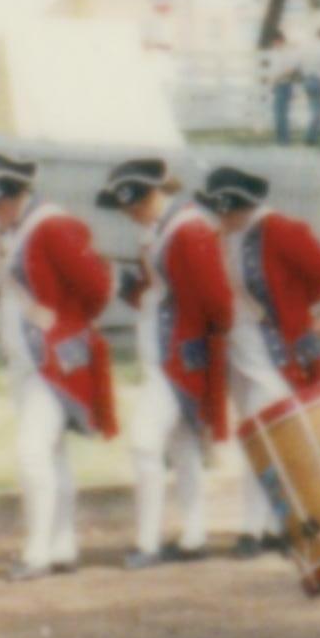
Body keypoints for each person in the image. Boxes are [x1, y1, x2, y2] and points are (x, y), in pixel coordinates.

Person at [0, 154, 115, 581]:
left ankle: (37, 550)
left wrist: (61, 322)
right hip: (24, 357)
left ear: (20, 192)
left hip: (53, 358)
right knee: (52, 453)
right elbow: (12, 294)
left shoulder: (53, 225)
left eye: (3, 199)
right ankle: (62, 545)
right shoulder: (7, 232)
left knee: (31, 451)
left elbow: (96, 288)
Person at [195, 164, 320, 556]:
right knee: (258, 435)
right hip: (238, 348)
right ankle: (281, 524)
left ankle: (253, 529)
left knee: (265, 435)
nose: (223, 218)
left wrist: (292, 308)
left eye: (230, 210)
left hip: (276, 348)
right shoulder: (219, 236)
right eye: (218, 211)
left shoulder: (280, 230)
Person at [100, 157, 233, 569]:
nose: (133, 211)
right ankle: (194, 536)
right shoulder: (164, 230)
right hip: (166, 354)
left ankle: (148, 542)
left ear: (160, 192)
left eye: (139, 201)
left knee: (145, 441)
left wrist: (197, 349)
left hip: (179, 357)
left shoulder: (187, 230)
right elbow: (159, 296)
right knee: (183, 446)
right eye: (129, 206)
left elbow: (216, 303)